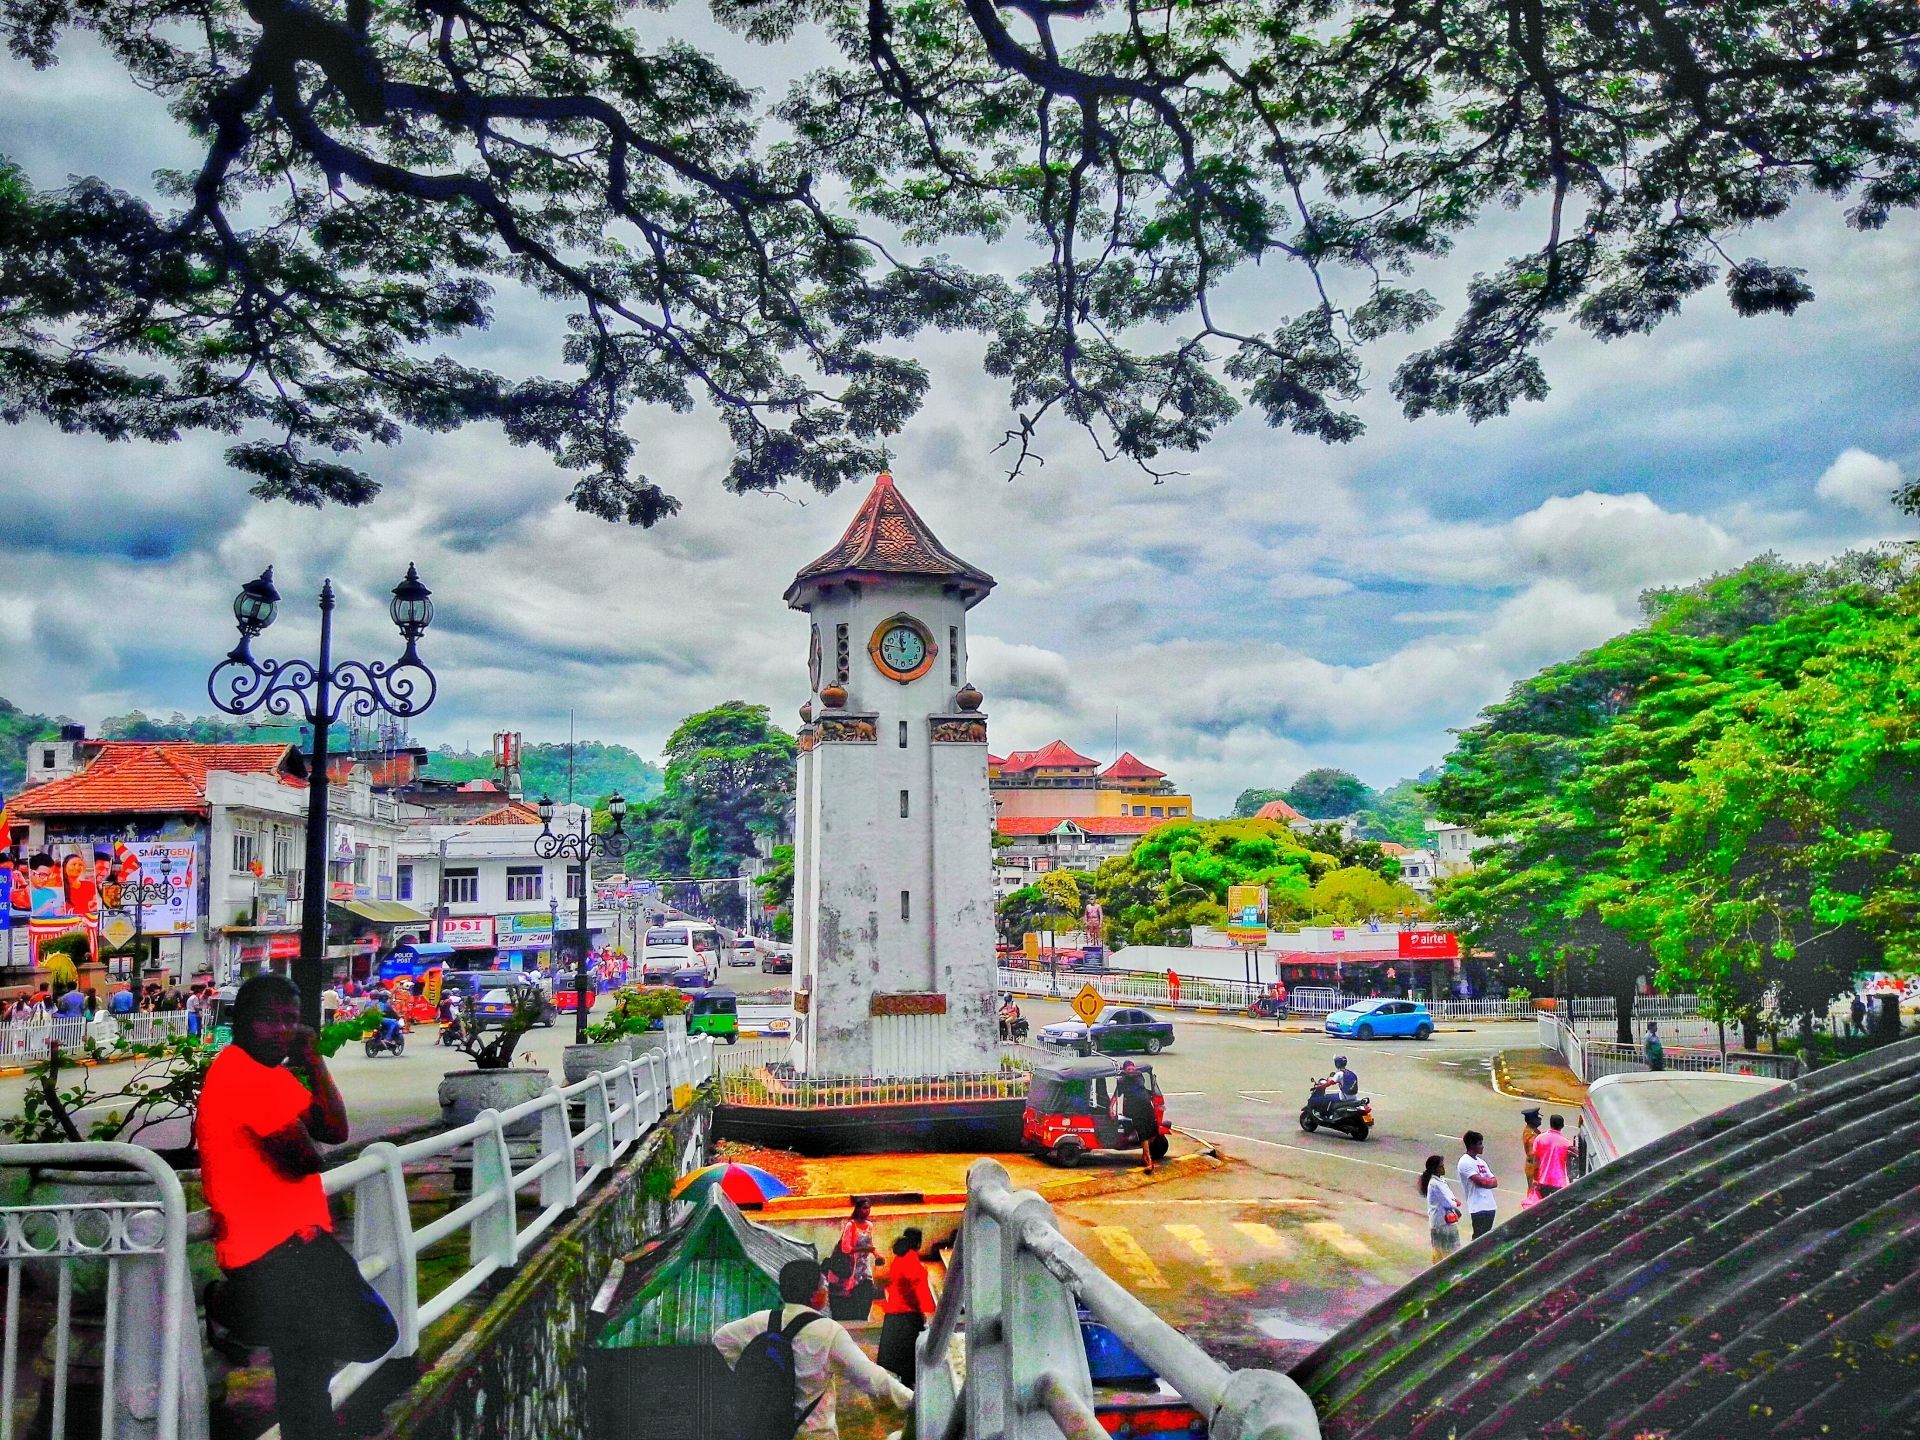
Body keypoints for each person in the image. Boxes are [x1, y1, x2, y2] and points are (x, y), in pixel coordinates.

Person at [197, 974, 397, 1440]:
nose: (281, 1030)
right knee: (359, 1341)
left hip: (301, 1241)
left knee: (312, 1370)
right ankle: (231, 1307)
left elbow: (332, 1130)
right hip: (268, 1250)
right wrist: (306, 1143)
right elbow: (303, 1159)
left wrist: (314, 1059)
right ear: (239, 1023)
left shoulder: (272, 1076)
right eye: (268, 1020)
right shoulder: (239, 1075)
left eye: (290, 1020)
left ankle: (235, 1311)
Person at [713, 1257, 910, 1440]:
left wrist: (746, 1373)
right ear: (814, 1295)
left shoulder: (761, 1320)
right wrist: (913, 1400)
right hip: (813, 1433)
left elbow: (721, 1340)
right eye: (823, 1285)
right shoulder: (828, 1331)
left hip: (769, 1429)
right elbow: (871, 1377)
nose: (826, 1289)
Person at [876, 1228, 937, 1384]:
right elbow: (915, 1293)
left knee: (899, 1357)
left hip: (894, 1312)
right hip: (907, 1314)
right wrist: (922, 1315)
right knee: (910, 1357)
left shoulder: (898, 1258)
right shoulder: (912, 1261)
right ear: (917, 1242)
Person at [826, 1198, 877, 1320]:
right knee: (850, 1294)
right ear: (858, 1209)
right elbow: (846, 1248)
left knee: (866, 1290)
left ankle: (862, 1318)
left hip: (864, 1266)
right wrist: (863, 1249)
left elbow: (870, 1245)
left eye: (868, 1208)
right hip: (851, 1266)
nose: (867, 1211)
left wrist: (876, 1254)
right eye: (864, 1208)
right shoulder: (851, 1226)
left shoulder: (869, 1226)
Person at [1115, 1059, 1160, 1172]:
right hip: (1135, 1109)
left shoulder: (1139, 1076)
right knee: (1143, 1133)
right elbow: (1117, 1094)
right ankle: (1149, 1162)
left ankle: (1144, 1156)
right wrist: (1111, 1107)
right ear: (1124, 1070)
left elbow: (1141, 1084)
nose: (1131, 1070)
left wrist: (1128, 1074)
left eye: (1132, 1068)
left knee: (1153, 1131)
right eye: (1128, 1069)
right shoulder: (1122, 1081)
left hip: (1147, 1107)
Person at [1457, 1130, 1498, 1239]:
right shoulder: (1465, 1162)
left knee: (1487, 1237)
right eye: (1480, 1144)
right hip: (1478, 1207)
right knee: (1479, 1238)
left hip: (1490, 1205)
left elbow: (1494, 1182)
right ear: (1472, 1145)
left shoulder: (1481, 1162)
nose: (1482, 1147)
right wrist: (1487, 1181)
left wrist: (1486, 1182)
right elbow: (1481, 1182)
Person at [1421, 1155, 1462, 1263]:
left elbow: (1449, 1196)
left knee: (1440, 1250)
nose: (1443, 1168)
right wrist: (1455, 1203)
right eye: (1441, 1166)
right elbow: (1446, 1201)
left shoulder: (1441, 1180)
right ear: (1435, 1169)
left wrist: (1454, 1201)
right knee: (1447, 1250)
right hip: (1441, 1222)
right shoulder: (1434, 1184)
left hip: (1445, 1220)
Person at [1533, 1113, 1574, 1197]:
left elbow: (1536, 1160)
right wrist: (1570, 1180)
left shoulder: (1540, 1138)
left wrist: (1535, 1178)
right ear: (1562, 1126)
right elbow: (1569, 1164)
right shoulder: (1567, 1143)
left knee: (1542, 1206)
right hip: (1558, 1182)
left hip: (1543, 1179)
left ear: (1550, 1124)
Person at [1520, 1107, 1542, 1191]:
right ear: (1532, 1120)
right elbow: (1533, 1154)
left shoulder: (1533, 1130)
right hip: (1533, 1167)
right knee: (1534, 1191)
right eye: (1537, 1117)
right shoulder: (1531, 1135)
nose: (1540, 1119)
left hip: (1533, 1165)